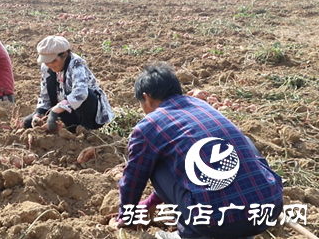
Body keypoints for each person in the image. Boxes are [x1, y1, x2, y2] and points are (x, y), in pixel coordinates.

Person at [111, 62, 284, 239]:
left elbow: (133, 178)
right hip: (268, 210)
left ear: (146, 98)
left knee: (151, 160)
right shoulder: (202, 106)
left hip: (212, 223)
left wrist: (127, 217)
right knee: (241, 142)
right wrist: (150, 202)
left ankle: (189, 235)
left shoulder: (149, 126)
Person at [22, 36, 113, 132]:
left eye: (53, 60)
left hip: (86, 112)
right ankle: (63, 128)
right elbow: (45, 96)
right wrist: (38, 114)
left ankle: (85, 131)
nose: (50, 64)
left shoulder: (76, 64)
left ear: (64, 55)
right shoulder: (46, 67)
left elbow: (81, 93)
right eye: (46, 61)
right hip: (63, 111)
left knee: (88, 95)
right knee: (28, 123)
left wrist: (56, 110)